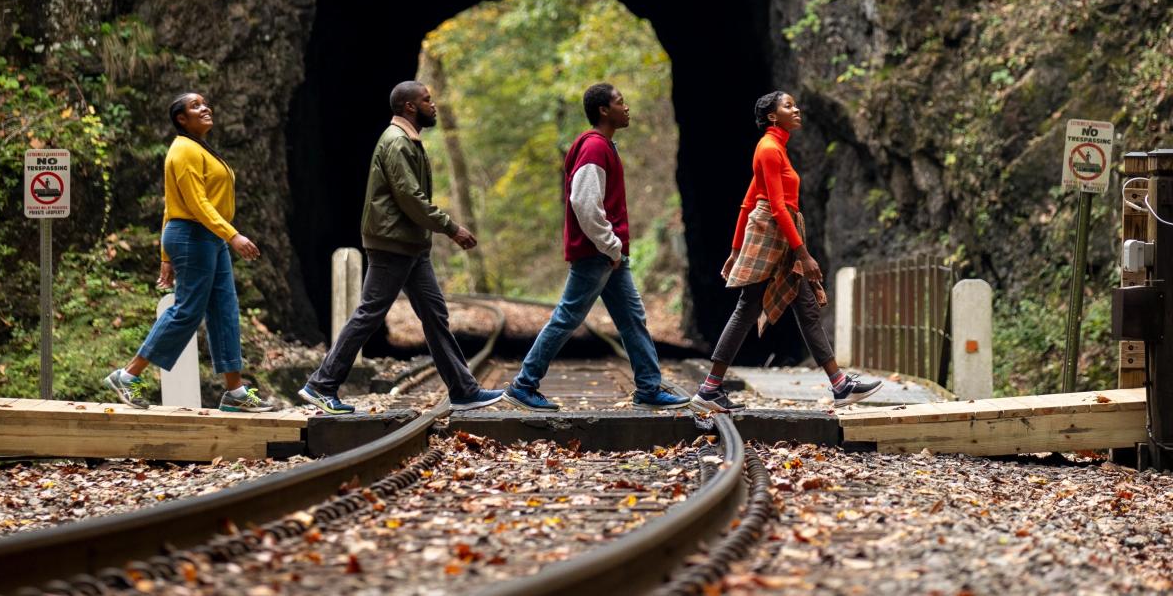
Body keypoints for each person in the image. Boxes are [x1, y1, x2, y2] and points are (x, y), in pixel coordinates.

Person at [298, 81, 503, 414]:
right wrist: (451, 228)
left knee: (435, 315)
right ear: (409, 107)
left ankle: (463, 390)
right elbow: (410, 198)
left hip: (411, 244)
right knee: (369, 314)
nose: (433, 104)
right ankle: (321, 384)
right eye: (426, 100)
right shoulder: (396, 143)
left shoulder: (408, 140)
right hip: (393, 244)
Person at [691, 91, 882, 413]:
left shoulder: (776, 149)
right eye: (788, 106)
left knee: (806, 307)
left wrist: (736, 250)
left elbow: (747, 201)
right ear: (771, 116)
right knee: (747, 307)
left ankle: (840, 385)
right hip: (773, 233)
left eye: (795, 105)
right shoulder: (768, 149)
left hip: (777, 232)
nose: (797, 110)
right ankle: (710, 388)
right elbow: (776, 207)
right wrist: (803, 254)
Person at [505, 84, 690, 411]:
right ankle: (524, 384)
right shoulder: (594, 148)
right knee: (567, 317)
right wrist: (611, 245)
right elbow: (584, 202)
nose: (627, 107)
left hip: (607, 254)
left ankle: (648, 386)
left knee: (632, 318)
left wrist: (613, 249)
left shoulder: (601, 146)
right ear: (604, 110)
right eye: (620, 101)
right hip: (598, 254)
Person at [104, 93, 275, 412]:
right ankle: (129, 375)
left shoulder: (199, 148)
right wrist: (233, 235)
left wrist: (166, 258)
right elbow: (194, 204)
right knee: (188, 309)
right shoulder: (182, 150)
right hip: (193, 234)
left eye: (205, 103)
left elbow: (171, 204)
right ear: (181, 119)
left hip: (208, 236)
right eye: (195, 106)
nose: (205, 108)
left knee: (225, 308)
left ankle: (235, 391)